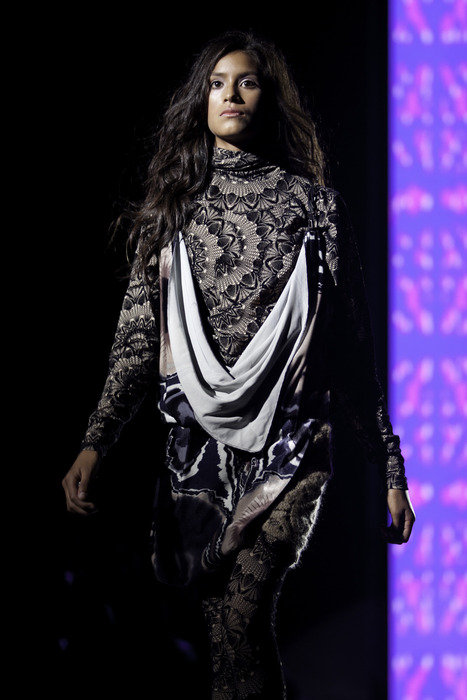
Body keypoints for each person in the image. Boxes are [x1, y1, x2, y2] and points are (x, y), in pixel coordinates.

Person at [62, 29, 416, 699]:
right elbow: (135, 344)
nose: (231, 94)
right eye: (217, 83)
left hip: (292, 447)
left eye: (247, 81)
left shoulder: (315, 209)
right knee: (228, 637)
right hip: (197, 454)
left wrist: (390, 472)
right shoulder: (168, 215)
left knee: (247, 612)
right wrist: (94, 442)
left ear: (269, 97)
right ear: (200, 101)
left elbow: (353, 356)